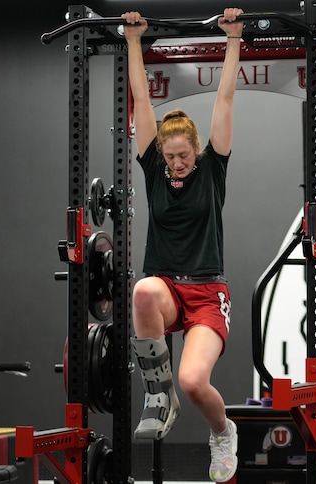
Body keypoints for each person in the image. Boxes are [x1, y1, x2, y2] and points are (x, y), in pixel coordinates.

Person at [121, 8, 243, 483]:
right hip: (170, 290)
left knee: (194, 381)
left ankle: (222, 431)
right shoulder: (153, 167)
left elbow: (226, 99)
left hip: (208, 293)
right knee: (143, 290)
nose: (175, 163)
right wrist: (134, 41)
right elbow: (139, 99)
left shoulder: (213, 169)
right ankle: (157, 392)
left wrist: (233, 39)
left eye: (182, 155)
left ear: (196, 150)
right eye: (169, 156)